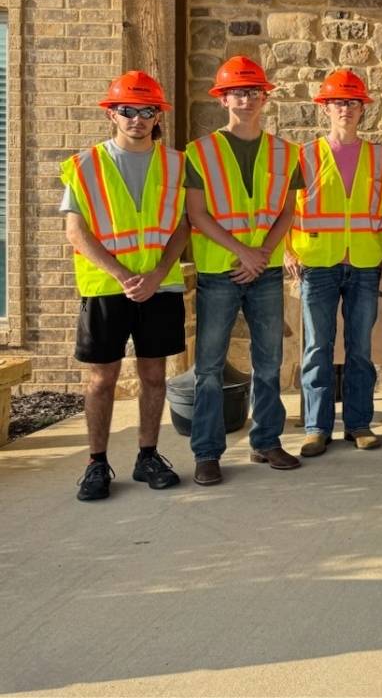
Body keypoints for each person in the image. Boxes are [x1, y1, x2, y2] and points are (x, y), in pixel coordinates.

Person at [62, 72, 188, 501]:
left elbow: (182, 228)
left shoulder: (176, 164)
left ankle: (147, 456)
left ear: (158, 116)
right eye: (127, 110)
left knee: (154, 377)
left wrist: (154, 277)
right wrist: (122, 276)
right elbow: (76, 232)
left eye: (146, 111)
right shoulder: (84, 165)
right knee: (101, 381)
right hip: (105, 288)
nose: (137, 118)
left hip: (159, 288)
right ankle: (96, 464)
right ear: (112, 114)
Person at [185, 56, 302, 486]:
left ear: (264, 98)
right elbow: (196, 214)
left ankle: (266, 441)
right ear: (223, 99)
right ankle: (207, 453)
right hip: (220, 271)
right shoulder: (200, 151)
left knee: (269, 362)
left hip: (265, 271)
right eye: (237, 92)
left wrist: (264, 253)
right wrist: (244, 253)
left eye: (253, 91)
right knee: (209, 367)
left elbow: (288, 210)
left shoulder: (286, 152)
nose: (245, 99)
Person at [286, 70, 382, 457]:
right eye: (337, 102)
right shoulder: (304, 155)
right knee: (317, 347)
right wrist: (287, 250)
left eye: (351, 102)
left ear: (363, 109)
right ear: (325, 108)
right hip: (318, 261)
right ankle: (317, 427)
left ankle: (359, 424)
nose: (344, 109)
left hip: (365, 261)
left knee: (360, 348)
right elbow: (282, 207)